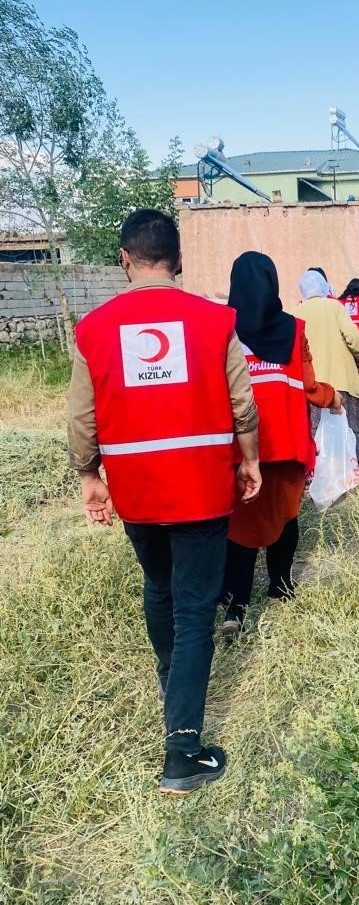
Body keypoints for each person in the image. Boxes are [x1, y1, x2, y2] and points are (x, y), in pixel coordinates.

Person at [67, 209, 262, 796]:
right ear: (178, 259)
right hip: (202, 485)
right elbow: (242, 403)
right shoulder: (213, 319)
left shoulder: (94, 328)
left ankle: (169, 678)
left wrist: (88, 474)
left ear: (124, 259)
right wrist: (249, 458)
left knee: (159, 585)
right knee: (196, 608)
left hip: (137, 488)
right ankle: (182, 750)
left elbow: (82, 417)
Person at [219, 252, 340, 636]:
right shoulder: (293, 328)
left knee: (238, 527)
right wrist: (332, 396)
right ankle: (280, 587)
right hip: (286, 445)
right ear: (273, 284)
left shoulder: (222, 329)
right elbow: (307, 385)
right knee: (286, 517)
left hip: (240, 448)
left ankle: (235, 605)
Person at [294, 270, 359, 461]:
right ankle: (353, 470)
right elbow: (355, 340)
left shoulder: (295, 314)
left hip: (312, 388)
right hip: (342, 381)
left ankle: (319, 474)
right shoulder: (334, 307)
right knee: (353, 428)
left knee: (315, 432)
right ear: (324, 286)